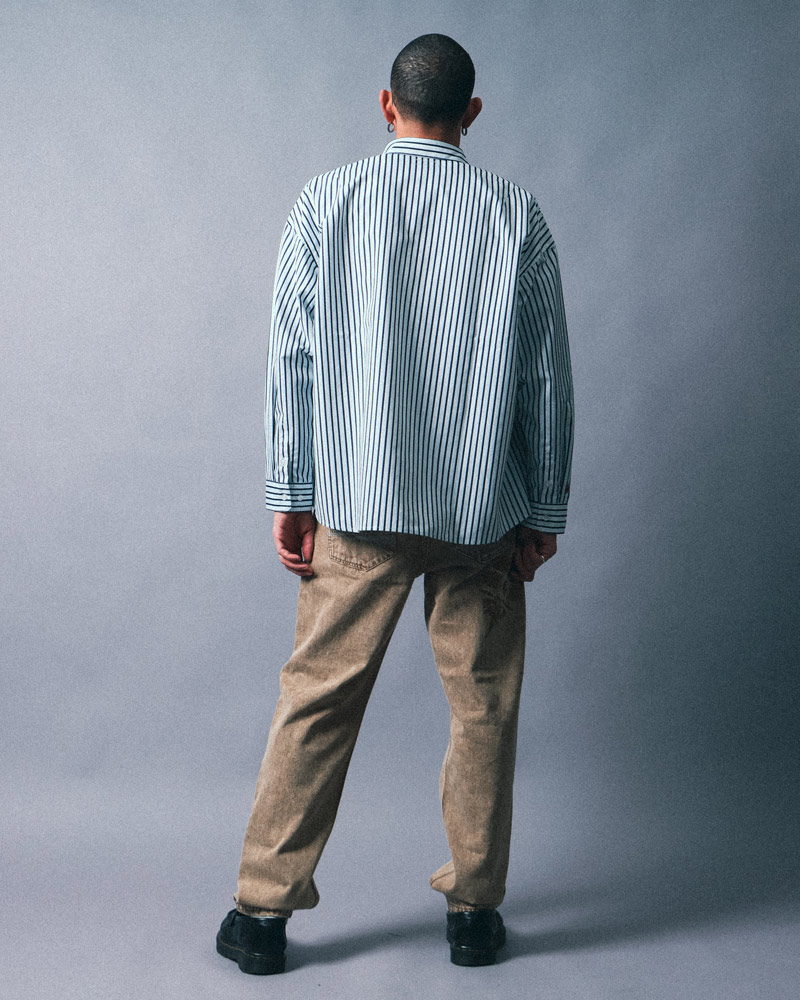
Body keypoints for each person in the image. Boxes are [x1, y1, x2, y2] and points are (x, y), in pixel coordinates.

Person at [215, 32, 574, 974]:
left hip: (357, 504)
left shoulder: (326, 201)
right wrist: (544, 508)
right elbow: (544, 375)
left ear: (387, 105)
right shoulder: (517, 215)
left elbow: (292, 357)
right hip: (481, 511)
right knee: (484, 707)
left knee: (317, 703)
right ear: (471, 113)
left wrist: (291, 492)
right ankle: (475, 914)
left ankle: (261, 917)